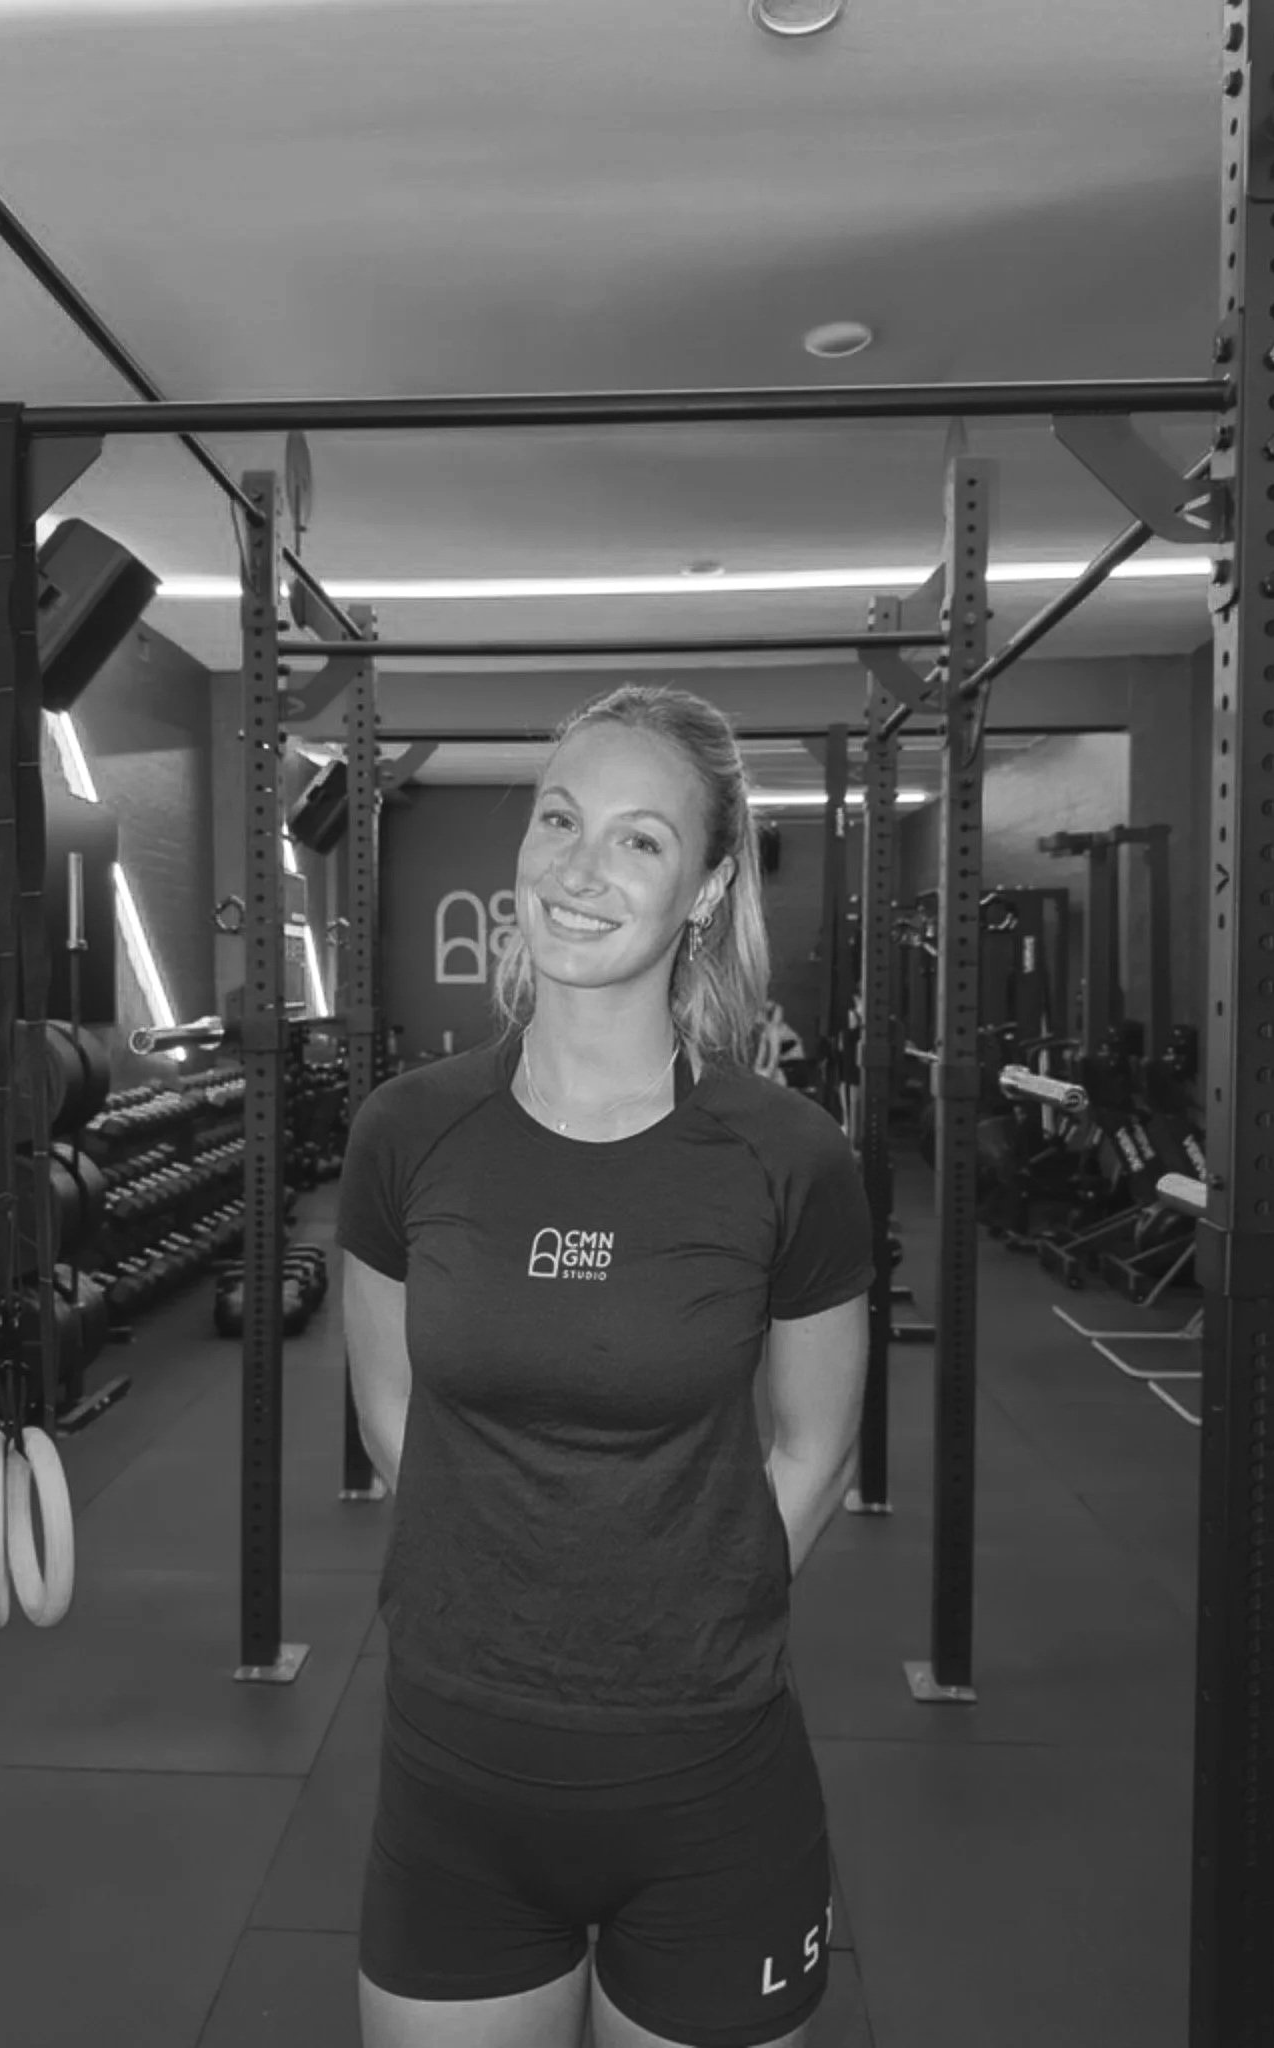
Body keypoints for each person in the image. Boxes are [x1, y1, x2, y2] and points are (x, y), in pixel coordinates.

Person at [338, 684, 873, 2048]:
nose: (580, 869)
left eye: (640, 840)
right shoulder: (407, 1132)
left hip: (710, 1774)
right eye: (559, 820)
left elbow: (817, 1447)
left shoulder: (788, 1156)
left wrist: (692, 1607)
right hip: (454, 1768)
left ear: (707, 889)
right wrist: (502, 1588)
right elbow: (391, 1409)